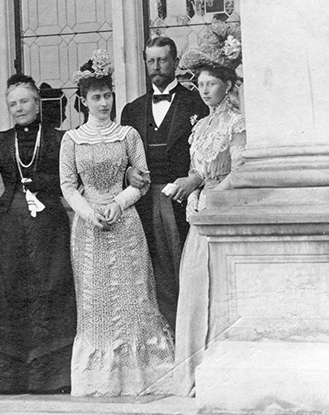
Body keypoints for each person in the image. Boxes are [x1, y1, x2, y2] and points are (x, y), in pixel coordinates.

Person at [60, 50, 174, 397]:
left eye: (108, 95)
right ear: (83, 101)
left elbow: (141, 181)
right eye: (96, 97)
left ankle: (142, 377)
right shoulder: (72, 139)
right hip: (89, 227)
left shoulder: (128, 135)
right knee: (96, 305)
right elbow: (67, 185)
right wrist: (90, 211)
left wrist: (118, 203)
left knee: (133, 298)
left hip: (125, 225)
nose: (104, 102)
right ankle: (99, 381)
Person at [0, 74, 77, 393]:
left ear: (37, 104)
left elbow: (74, 179)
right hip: (10, 226)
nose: (19, 108)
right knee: (8, 289)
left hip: (48, 226)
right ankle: (5, 375)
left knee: (49, 288)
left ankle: (51, 376)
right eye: (13, 104)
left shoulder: (59, 140)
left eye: (24, 101)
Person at [170, 22, 245, 396]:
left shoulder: (237, 124)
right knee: (197, 287)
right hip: (200, 218)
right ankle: (195, 370)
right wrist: (191, 184)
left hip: (224, 213)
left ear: (227, 86)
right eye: (199, 83)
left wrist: (213, 196)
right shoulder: (200, 127)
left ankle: (223, 370)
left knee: (222, 290)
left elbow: (241, 169)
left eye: (210, 83)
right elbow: (198, 171)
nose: (203, 89)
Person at [120, 37, 209, 332]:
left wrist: (193, 181)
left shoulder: (197, 104)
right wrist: (129, 172)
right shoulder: (132, 110)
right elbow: (122, 161)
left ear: (174, 61)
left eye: (162, 60)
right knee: (152, 271)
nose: (156, 67)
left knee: (185, 269)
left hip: (181, 199)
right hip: (144, 202)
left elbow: (208, 155)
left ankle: (189, 336)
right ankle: (163, 339)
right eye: (150, 61)